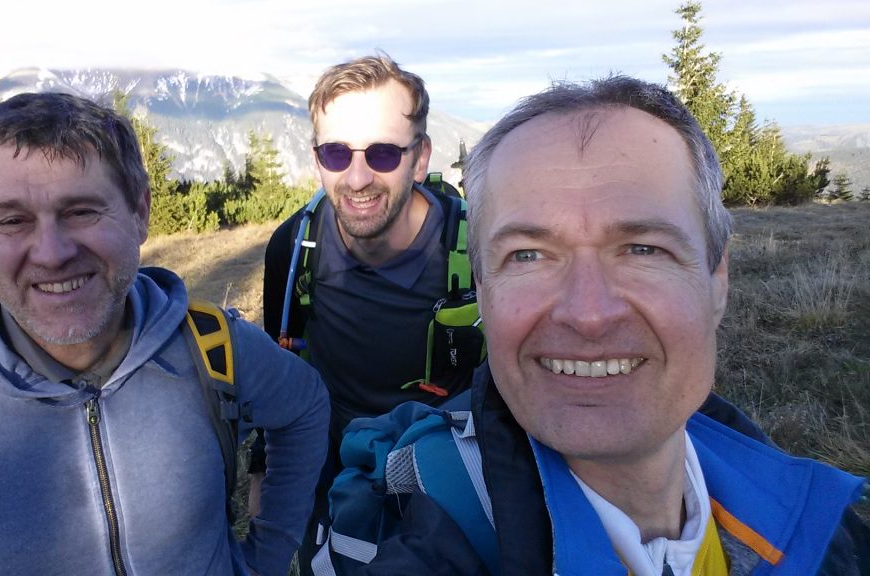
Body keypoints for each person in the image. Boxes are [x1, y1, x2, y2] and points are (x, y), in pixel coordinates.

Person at [357, 75, 870, 574]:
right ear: (485, 293)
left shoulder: (823, 525)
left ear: (718, 279)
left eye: (644, 249)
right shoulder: (430, 547)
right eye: (529, 254)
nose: (588, 313)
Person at [0, 92, 329, 575]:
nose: (52, 253)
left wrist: (267, 554)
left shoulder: (211, 347)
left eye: (81, 211)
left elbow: (305, 406)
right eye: (12, 221)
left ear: (140, 213)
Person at [256, 53, 480, 571]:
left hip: (448, 483)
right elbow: (279, 369)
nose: (357, 179)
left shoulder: (479, 251)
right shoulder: (293, 246)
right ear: (317, 161)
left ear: (420, 158)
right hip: (331, 482)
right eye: (336, 154)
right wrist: (264, 486)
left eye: (382, 153)